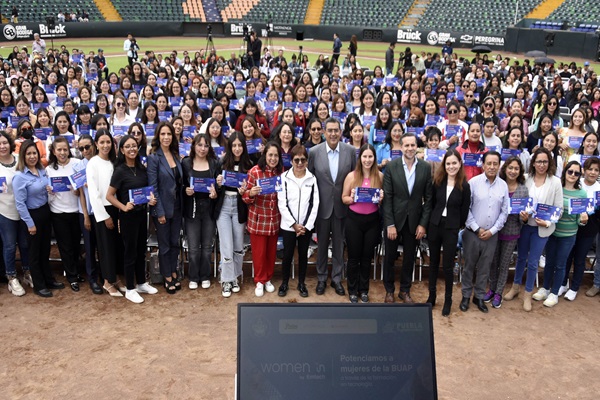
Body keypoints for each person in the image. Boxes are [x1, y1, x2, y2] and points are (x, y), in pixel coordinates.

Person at [504, 148, 563, 311]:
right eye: (539, 161)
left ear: (549, 162)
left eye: (545, 161)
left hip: (542, 229)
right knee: (521, 258)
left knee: (533, 262)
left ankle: (528, 294)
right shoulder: (526, 179)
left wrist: (548, 223)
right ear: (533, 163)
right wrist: (522, 215)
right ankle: (515, 288)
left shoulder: (555, 182)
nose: (542, 165)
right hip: (525, 226)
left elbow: (559, 209)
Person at [106, 135, 158, 303]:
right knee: (130, 252)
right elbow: (109, 195)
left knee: (141, 250)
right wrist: (123, 206)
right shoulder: (120, 171)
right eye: (127, 146)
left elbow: (146, 192)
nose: (131, 149)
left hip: (142, 214)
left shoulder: (141, 168)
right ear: (122, 150)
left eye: (134, 146)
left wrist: (150, 199)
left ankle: (142, 282)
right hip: (128, 217)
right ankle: (130, 288)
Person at [308, 118, 357, 296]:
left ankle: (336, 278)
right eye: (330, 130)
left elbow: (354, 177)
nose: (333, 134)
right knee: (321, 246)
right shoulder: (314, 152)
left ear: (341, 132)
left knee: (338, 245)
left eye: (336, 130)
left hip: (342, 207)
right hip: (322, 208)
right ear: (324, 132)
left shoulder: (350, 151)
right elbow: (310, 180)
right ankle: (321, 278)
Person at [382, 132, 432, 303]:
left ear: (417, 147)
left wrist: (423, 224)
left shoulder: (425, 167)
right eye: (407, 145)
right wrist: (389, 224)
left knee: (409, 258)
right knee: (389, 257)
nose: (410, 148)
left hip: (414, 222)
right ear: (401, 147)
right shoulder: (392, 167)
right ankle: (389, 290)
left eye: (413, 145)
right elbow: (387, 198)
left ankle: (405, 290)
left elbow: (428, 199)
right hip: (394, 221)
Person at [13, 140, 65, 297]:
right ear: (23, 156)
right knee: (34, 253)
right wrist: (30, 223)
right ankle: (39, 285)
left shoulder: (42, 171)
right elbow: (20, 203)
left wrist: (50, 190)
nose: (32, 156)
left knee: (45, 250)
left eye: (34, 153)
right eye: (28, 153)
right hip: (32, 215)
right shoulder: (20, 177)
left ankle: (48, 279)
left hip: (44, 212)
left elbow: (45, 191)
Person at [461, 151, 509, 313]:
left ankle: (479, 296)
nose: (492, 167)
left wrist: (493, 230)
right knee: (469, 266)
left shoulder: (503, 185)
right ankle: (466, 296)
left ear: (499, 165)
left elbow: (504, 212)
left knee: (484, 268)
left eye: (495, 163)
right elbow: (466, 208)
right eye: (489, 163)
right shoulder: (473, 183)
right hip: (472, 233)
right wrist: (476, 228)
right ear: (483, 165)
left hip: (491, 235)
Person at [426, 149, 470, 316]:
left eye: (454, 163)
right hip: (435, 225)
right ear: (444, 165)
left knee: (448, 266)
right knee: (434, 263)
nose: (451, 166)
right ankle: (432, 296)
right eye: (448, 163)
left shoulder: (465, 186)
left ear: (460, 164)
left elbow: (464, 212)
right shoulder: (437, 181)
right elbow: (430, 204)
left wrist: (455, 225)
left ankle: (448, 300)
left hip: (451, 228)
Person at [341, 144, 383, 303]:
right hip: (354, 220)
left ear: (374, 158)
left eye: (370, 157)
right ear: (360, 158)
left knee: (367, 258)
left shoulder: (380, 176)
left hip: (372, 221)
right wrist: (351, 198)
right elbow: (343, 198)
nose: (367, 160)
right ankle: (352, 290)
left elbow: (381, 201)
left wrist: (381, 199)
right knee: (353, 258)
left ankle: (364, 290)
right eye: (364, 156)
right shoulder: (351, 176)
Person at [485, 156, 528, 309]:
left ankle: (499, 293)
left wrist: (524, 217)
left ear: (520, 171)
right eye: (510, 168)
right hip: (495, 230)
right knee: (493, 262)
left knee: (504, 264)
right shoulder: (499, 184)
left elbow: (524, 218)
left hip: (512, 231)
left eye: (516, 168)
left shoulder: (523, 189)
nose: (513, 171)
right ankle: (491, 289)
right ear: (505, 169)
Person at [87, 129, 125, 297]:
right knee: (105, 248)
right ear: (96, 144)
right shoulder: (92, 163)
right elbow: (94, 194)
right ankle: (107, 282)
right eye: (101, 142)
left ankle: (115, 278)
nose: (105, 145)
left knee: (116, 246)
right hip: (102, 211)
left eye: (108, 142)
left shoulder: (114, 162)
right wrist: (105, 216)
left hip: (116, 208)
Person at [277, 144, 319, 297]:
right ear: (291, 161)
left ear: (307, 161)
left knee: (303, 255)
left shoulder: (312, 179)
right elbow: (282, 203)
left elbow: (315, 204)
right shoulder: (284, 178)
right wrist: (293, 224)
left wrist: (306, 226)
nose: (300, 163)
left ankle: (301, 283)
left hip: (305, 227)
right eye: (297, 160)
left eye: (303, 160)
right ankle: (284, 283)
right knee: (287, 255)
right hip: (289, 226)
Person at [242, 142, 283, 297]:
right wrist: (251, 193)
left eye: (276, 155)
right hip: (258, 219)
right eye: (270, 155)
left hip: (273, 219)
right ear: (264, 155)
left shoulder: (280, 173)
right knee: (259, 253)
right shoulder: (254, 172)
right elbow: (245, 197)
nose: (273, 158)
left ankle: (268, 278)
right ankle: (259, 280)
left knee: (271, 253)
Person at [214, 131, 252, 297]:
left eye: (239, 145)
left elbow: (250, 192)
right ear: (230, 147)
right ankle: (226, 280)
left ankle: (235, 277)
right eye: (234, 145)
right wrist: (219, 184)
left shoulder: (249, 165)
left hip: (239, 207)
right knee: (226, 245)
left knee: (238, 246)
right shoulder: (221, 163)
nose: (237, 148)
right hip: (223, 207)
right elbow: (214, 190)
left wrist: (246, 191)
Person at [148, 121, 183, 293]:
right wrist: (159, 211)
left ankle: (174, 270)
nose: (166, 137)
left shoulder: (176, 155)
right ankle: (167, 276)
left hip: (178, 207)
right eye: (163, 134)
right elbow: (153, 187)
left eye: (169, 134)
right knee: (165, 245)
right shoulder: (154, 157)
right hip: (162, 208)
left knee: (174, 243)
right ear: (158, 136)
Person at [182, 134, 220, 291]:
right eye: (199, 145)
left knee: (206, 246)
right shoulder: (185, 163)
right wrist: (186, 190)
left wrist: (215, 193)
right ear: (193, 146)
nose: (202, 149)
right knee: (193, 247)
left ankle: (205, 276)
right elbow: (181, 185)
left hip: (208, 209)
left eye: (206, 145)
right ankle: (193, 276)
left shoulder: (214, 163)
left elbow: (218, 186)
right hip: (192, 208)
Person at [46, 136, 82, 291]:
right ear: (54, 151)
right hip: (58, 212)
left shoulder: (76, 164)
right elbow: (47, 197)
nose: (62, 152)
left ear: (69, 150)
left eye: (65, 149)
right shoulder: (49, 169)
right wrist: (50, 192)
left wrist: (77, 190)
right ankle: (72, 277)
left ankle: (75, 271)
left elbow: (83, 187)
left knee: (76, 245)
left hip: (75, 210)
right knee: (65, 246)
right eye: (59, 150)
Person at [562, 157, 600, 301]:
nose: (593, 172)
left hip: (589, 230)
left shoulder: (599, 189)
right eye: (590, 169)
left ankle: (574, 287)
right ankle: (563, 283)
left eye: (596, 170)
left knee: (579, 259)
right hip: (572, 227)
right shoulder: (577, 185)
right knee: (567, 256)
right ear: (584, 171)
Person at [0, 131, 29, 296]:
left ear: (10, 143)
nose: (2, 146)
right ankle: (11, 277)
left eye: (4, 142)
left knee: (25, 244)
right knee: (10, 246)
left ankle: (26, 272)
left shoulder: (19, 159)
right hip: (4, 211)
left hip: (23, 210)